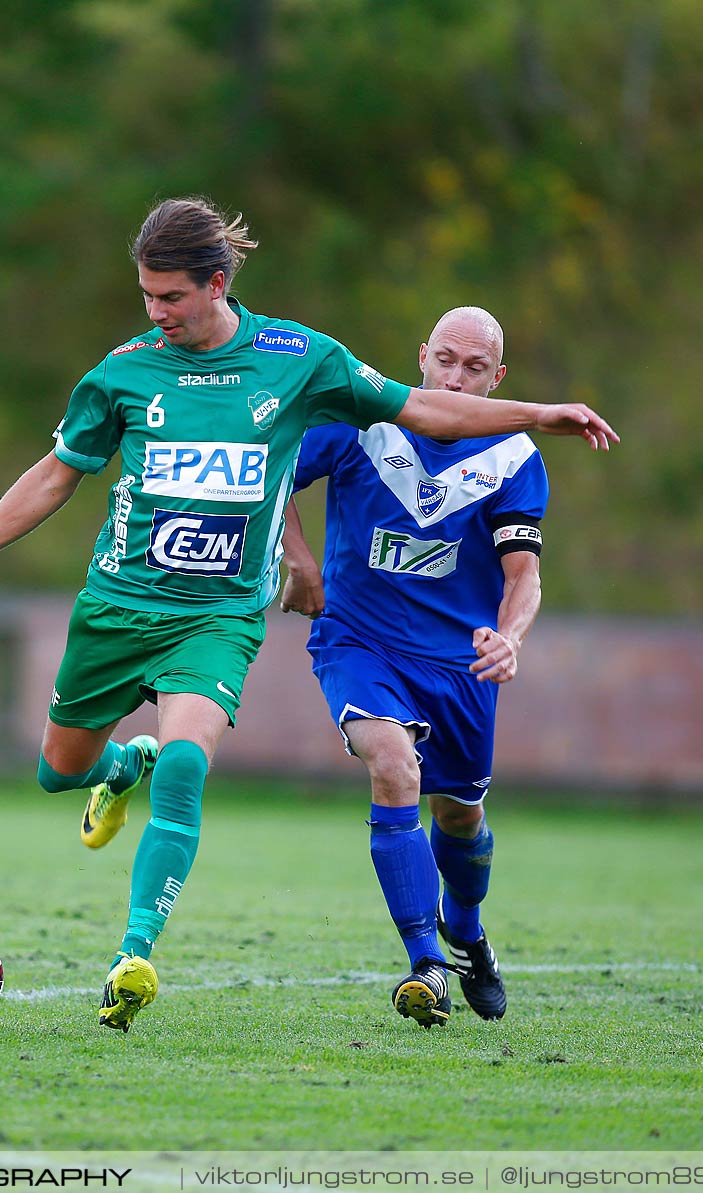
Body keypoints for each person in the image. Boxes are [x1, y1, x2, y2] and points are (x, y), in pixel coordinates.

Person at [0, 198, 616, 1033]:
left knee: (193, 764)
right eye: (146, 297)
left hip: (220, 617)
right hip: (119, 606)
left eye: (170, 297)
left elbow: (424, 411)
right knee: (60, 769)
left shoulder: (301, 359)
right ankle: (118, 769)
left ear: (218, 283)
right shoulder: (123, 371)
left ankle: (135, 955)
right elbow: (56, 476)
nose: (155, 313)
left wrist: (540, 415)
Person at [279, 305, 540, 1028]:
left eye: (475, 367)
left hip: (461, 667)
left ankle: (467, 933)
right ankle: (426, 963)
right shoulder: (363, 420)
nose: (456, 376)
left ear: (499, 379)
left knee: (459, 814)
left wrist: (510, 636)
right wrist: (297, 560)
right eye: (446, 360)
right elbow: (271, 479)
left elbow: (524, 574)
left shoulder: (512, 457)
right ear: (422, 355)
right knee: (394, 764)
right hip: (358, 643)